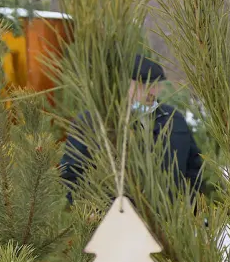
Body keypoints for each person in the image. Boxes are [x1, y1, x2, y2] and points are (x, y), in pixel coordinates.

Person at [60, 55, 204, 199]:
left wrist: (188, 209)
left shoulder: (173, 119)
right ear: (123, 83)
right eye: (144, 85)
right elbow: (72, 176)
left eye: (156, 85)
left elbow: (194, 169)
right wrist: (97, 215)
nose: (152, 92)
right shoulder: (91, 122)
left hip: (169, 219)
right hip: (117, 218)